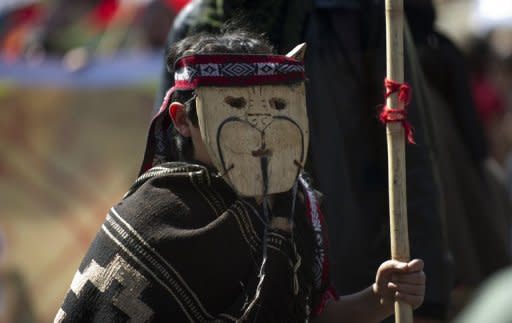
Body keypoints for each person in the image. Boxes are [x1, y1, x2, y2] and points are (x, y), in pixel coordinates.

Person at [55, 29, 425, 322]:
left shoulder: (293, 204)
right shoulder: (149, 222)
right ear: (183, 120)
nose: (260, 127)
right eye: (234, 107)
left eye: (277, 106)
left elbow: (306, 317)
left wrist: (378, 299)